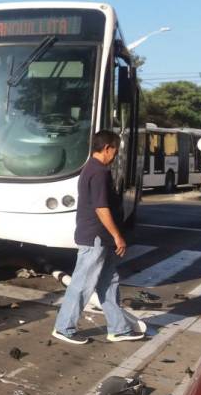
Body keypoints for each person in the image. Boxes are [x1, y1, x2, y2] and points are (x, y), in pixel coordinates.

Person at [52, 130, 144, 344]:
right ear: (107, 148)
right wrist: (117, 236)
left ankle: (118, 329)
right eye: (115, 151)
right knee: (82, 284)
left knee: (109, 283)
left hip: (102, 238)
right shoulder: (99, 172)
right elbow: (101, 208)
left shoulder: (93, 169)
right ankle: (63, 327)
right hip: (96, 237)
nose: (115, 155)